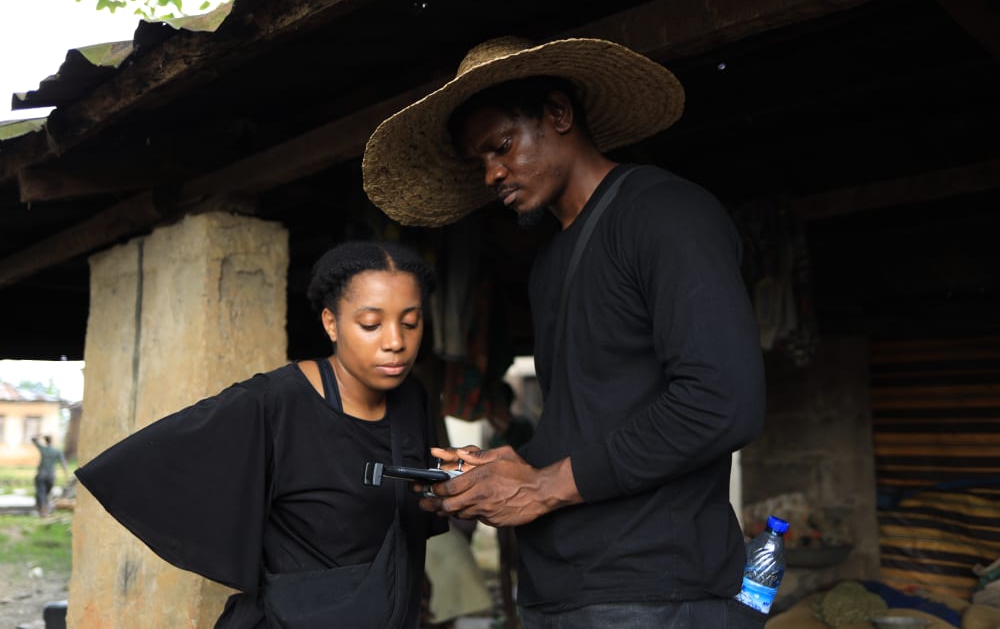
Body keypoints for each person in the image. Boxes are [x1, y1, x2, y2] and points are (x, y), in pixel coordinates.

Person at [362, 37, 767, 627]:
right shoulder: (549, 268)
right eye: (480, 163)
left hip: (655, 590)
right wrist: (507, 468)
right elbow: (589, 422)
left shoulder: (665, 214)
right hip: (560, 588)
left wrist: (545, 486)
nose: (493, 174)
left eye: (501, 147)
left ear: (558, 114)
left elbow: (723, 402)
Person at [75, 240, 447, 628]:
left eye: (410, 322)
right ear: (331, 323)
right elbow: (136, 469)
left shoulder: (412, 399)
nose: (395, 343)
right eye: (371, 324)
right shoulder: (271, 403)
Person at [31, 434, 68, 518]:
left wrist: (40, 436)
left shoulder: (43, 448)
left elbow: (33, 439)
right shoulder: (57, 451)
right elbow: (63, 463)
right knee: (47, 493)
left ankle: (43, 510)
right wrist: (67, 475)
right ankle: (45, 511)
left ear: (45, 441)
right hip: (51, 476)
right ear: (52, 441)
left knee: (41, 492)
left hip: (41, 474)